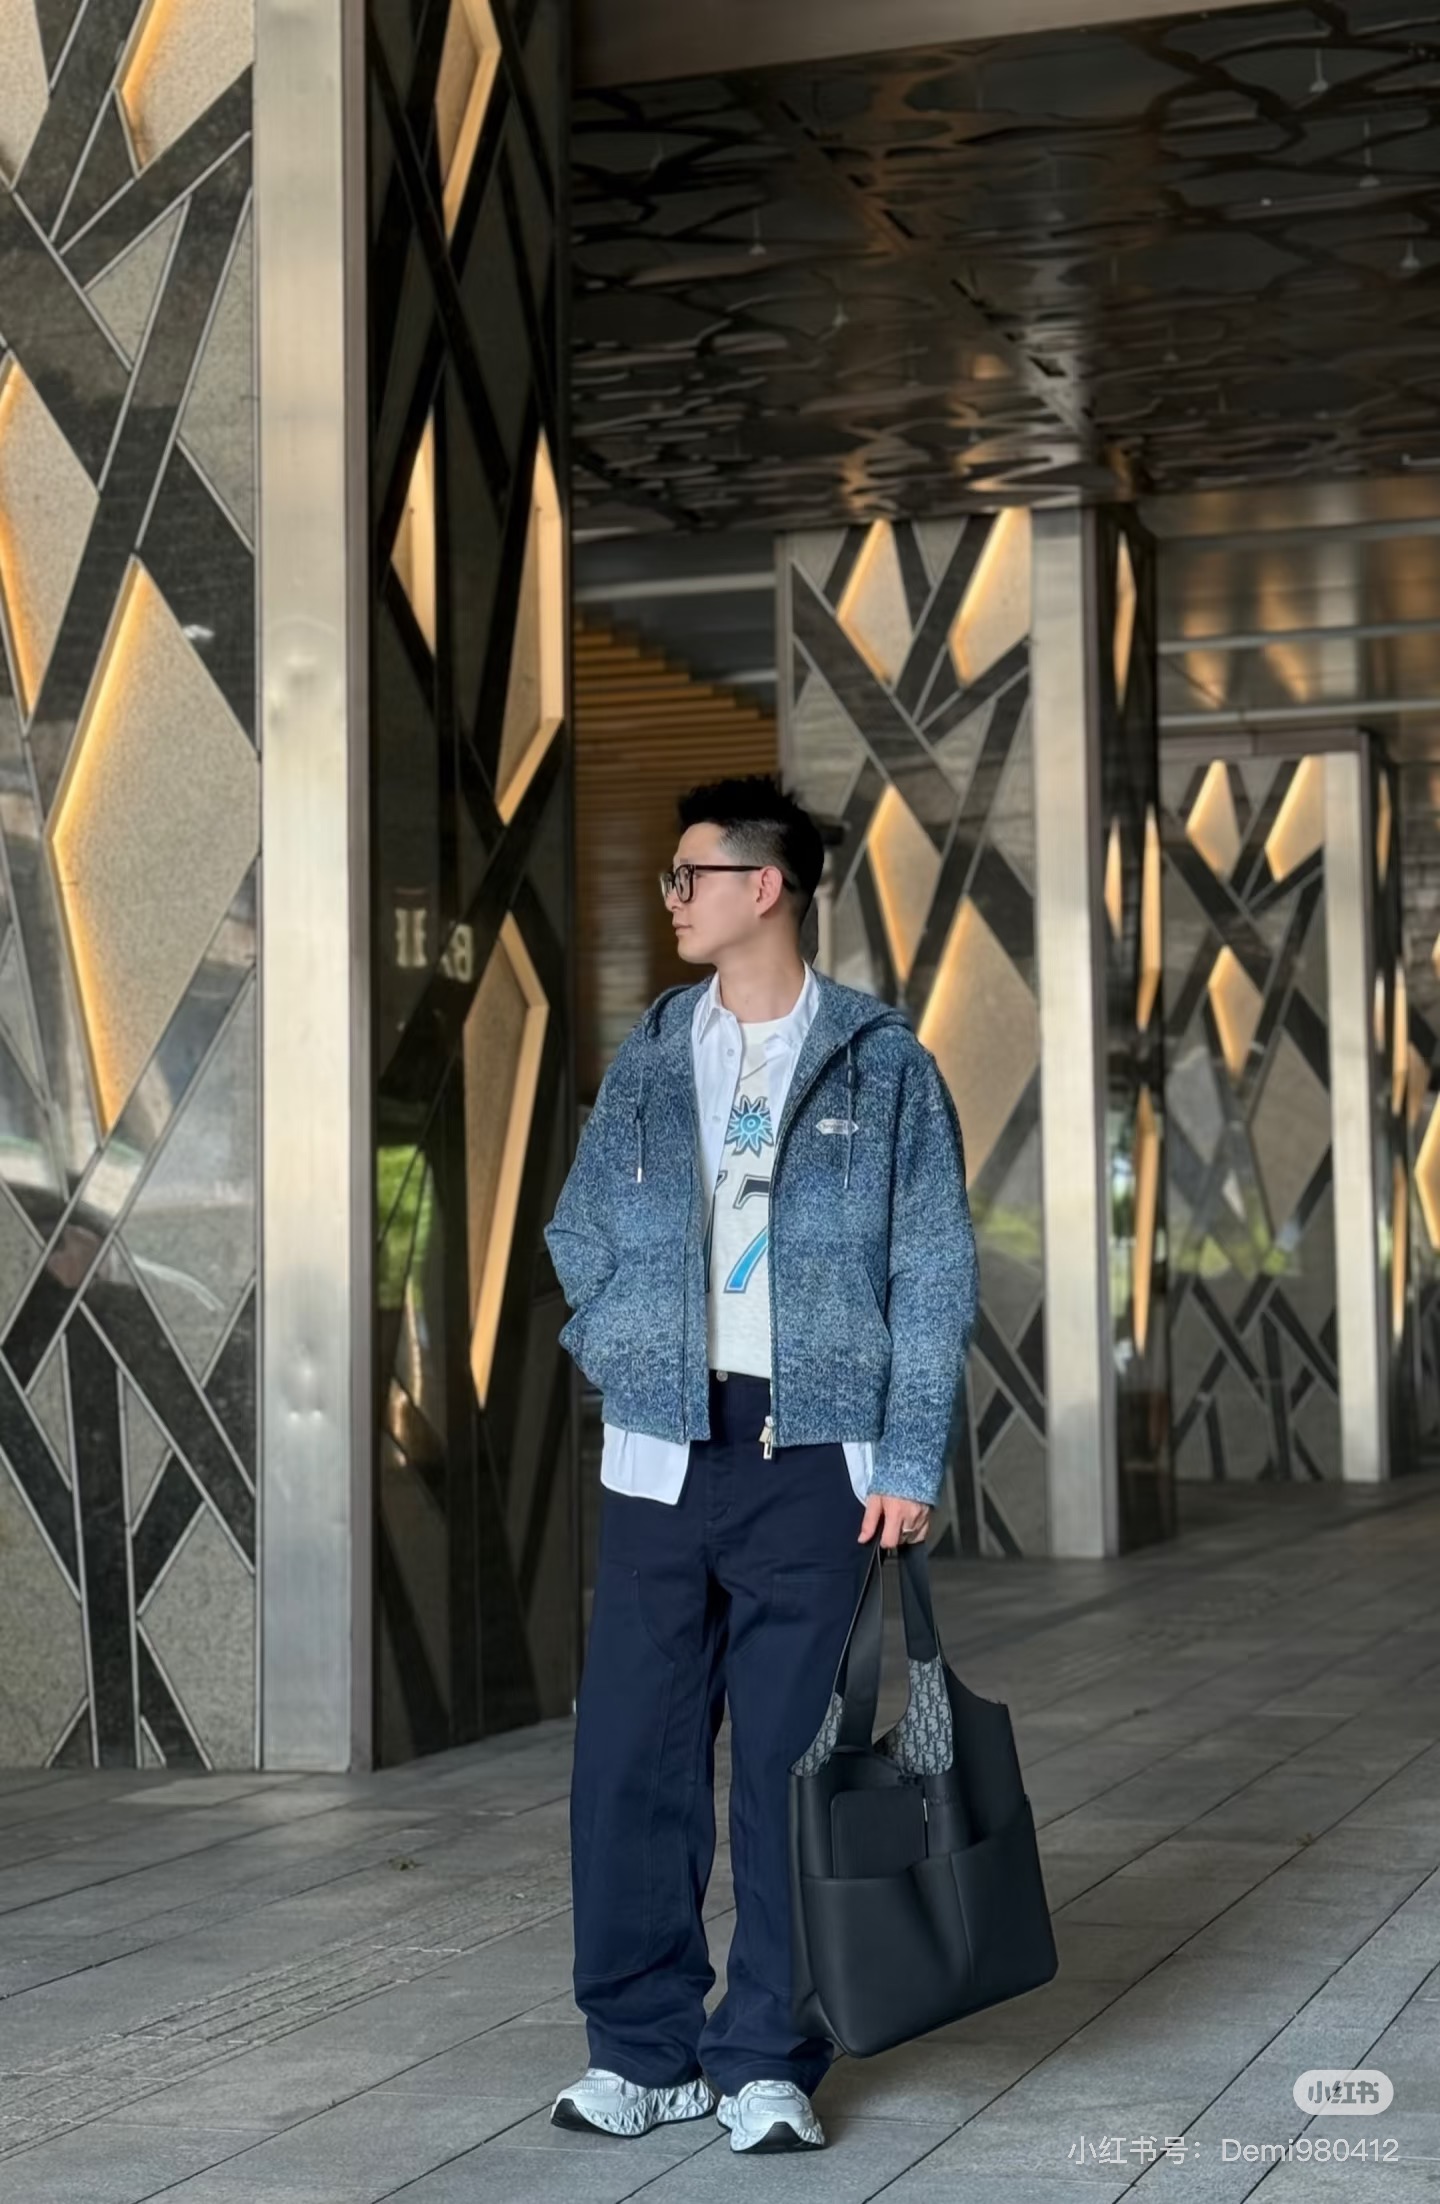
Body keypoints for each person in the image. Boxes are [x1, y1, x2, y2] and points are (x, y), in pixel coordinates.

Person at [543, 773, 978, 2154]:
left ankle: (765, 2059)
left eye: (690, 876)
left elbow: (934, 1270)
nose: (672, 898)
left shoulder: (882, 1066)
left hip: (817, 1458)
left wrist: (907, 1455)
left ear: (765, 888)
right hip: (662, 1452)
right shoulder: (652, 1056)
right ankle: (640, 2050)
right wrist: (625, 1346)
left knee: (794, 1768)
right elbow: (576, 1233)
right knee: (630, 1760)